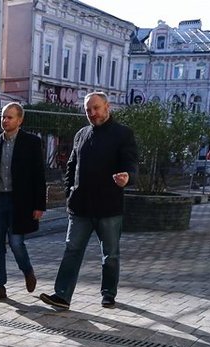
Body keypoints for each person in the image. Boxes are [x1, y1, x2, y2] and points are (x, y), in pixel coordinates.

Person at [39, 91, 137, 310]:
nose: (92, 113)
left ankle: (108, 293)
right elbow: (71, 165)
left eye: (96, 108)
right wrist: (69, 191)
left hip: (109, 207)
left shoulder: (123, 134)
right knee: (71, 250)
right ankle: (62, 295)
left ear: (107, 107)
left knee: (110, 254)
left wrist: (127, 177)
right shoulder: (81, 134)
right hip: (80, 207)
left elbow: (131, 164)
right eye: (88, 110)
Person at [0, 102, 46, 302]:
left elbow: (38, 176)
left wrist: (39, 205)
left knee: (17, 242)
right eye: (3, 117)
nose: (5, 121)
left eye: (9, 117)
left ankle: (27, 270)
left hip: (20, 201)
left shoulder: (31, 143)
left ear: (20, 120)